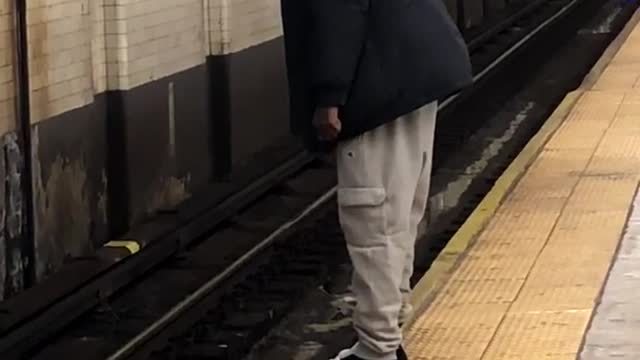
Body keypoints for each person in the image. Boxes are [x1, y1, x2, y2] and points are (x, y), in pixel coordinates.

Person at [280, 0, 472, 359]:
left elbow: (338, 9)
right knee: (396, 216)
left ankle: (377, 350)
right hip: (403, 68)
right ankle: (387, 337)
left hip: (375, 80)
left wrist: (330, 94)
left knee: (375, 217)